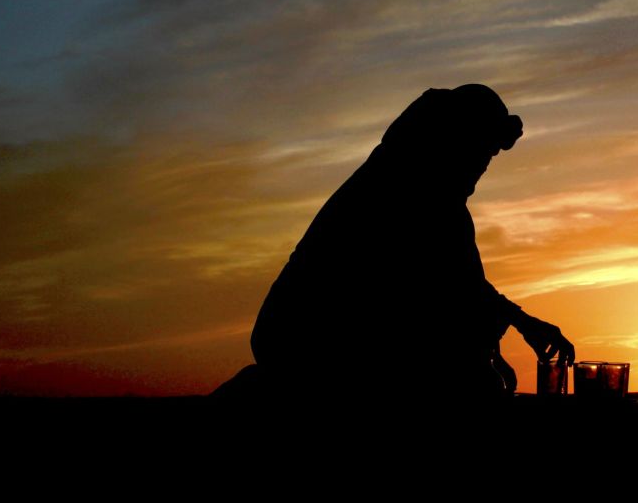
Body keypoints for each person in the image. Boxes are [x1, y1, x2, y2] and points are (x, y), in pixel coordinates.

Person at [219, 84, 574, 413]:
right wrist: (506, 330)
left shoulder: (437, 201)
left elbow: (461, 286)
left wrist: (514, 326)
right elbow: (445, 288)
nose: (484, 164)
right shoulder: (400, 192)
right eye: (482, 150)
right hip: (305, 345)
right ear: (454, 139)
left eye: (490, 155)